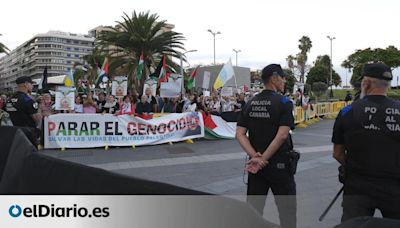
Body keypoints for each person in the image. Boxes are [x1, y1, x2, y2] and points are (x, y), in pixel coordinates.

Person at [332, 63, 400, 222]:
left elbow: (337, 153)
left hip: (357, 186)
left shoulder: (348, 111)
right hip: (395, 187)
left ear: (366, 83)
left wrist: (351, 166)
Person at [236, 64, 296, 228]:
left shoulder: (250, 103)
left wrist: (255, 156)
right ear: (275, 77)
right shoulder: (284, 102)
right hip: (279, 166)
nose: (284, 81)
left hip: (255, 168)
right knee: (287, 213)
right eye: (283, 78)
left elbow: (240, 134)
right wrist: (264, 158)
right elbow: (283, 135)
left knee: (253, 212)